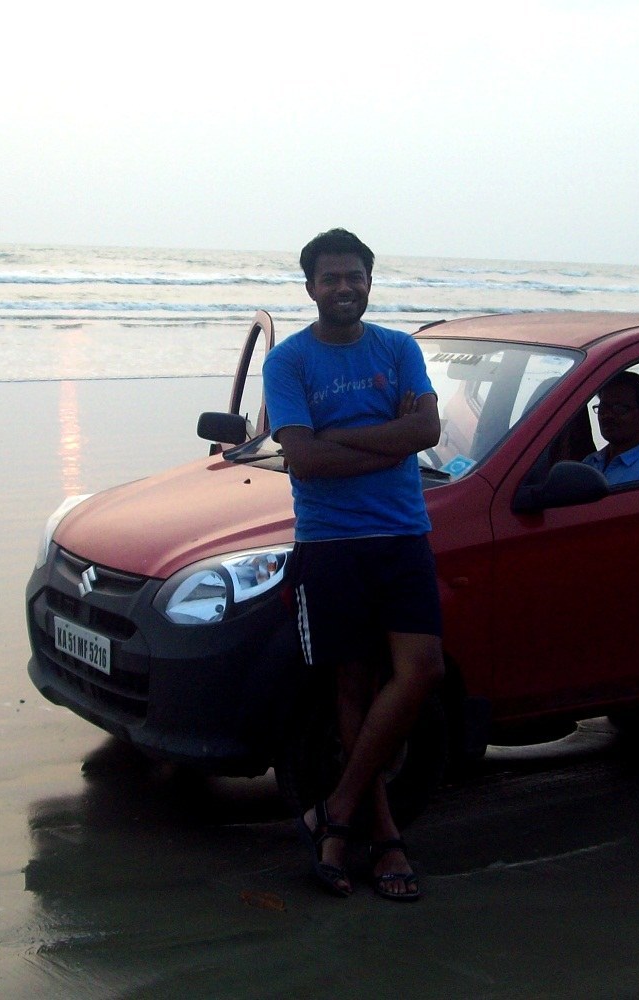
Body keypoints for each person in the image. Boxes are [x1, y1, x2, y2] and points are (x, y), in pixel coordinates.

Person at [262, 228, 445, 901]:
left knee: (421, 670)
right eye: (331, 278)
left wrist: (336, 436)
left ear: (370, 281)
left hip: (402, 535)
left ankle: (334, 813)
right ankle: (384, 836)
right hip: (330, 543)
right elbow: (303, 460)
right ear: (310, 286)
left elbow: (426, 433)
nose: (344, 288)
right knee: (352, 690)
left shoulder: (398, 349)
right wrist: (385, 442)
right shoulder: (288, 363)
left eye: (355, 276)